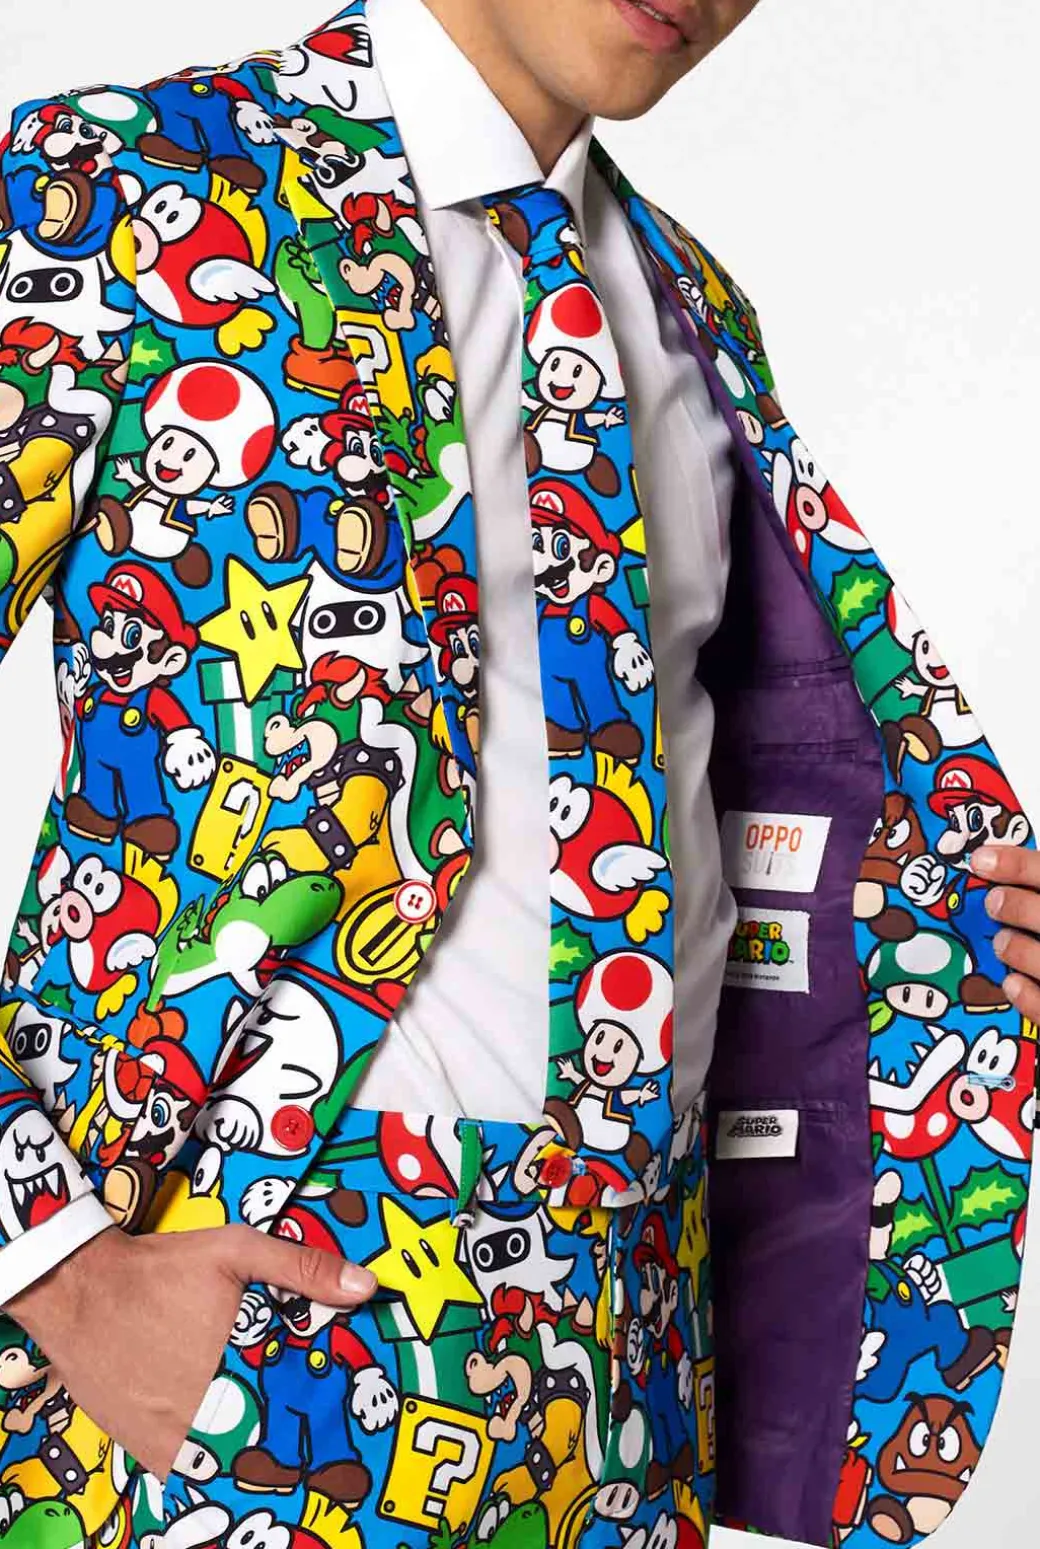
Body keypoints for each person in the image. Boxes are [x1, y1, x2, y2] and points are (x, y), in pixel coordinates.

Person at [0, 2, 1036, 1546]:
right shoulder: (124, 189)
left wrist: (954, 930)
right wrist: (54, 1263)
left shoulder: (690, 307)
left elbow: (768, 793)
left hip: (629, 1369)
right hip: (223, 1325)